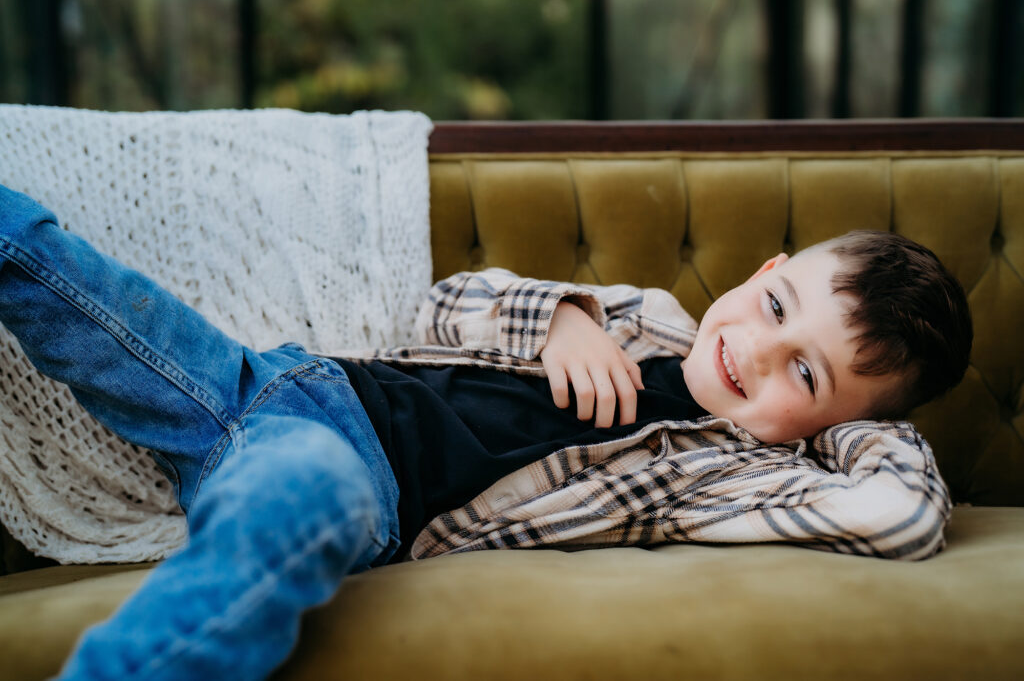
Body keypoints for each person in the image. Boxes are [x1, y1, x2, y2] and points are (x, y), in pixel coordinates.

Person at [0, 183, 971, 680]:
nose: (755, 353)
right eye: (773, 304)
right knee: (44, 259)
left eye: (806, 372)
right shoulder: (643, 317)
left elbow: (897, 515)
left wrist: (849, 428)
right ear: (765, 267)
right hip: (279, 381)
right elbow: (446, 305)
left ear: (838, 423)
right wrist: (561, 316)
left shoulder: (734, 473)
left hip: (349, 475)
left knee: (293, 502)